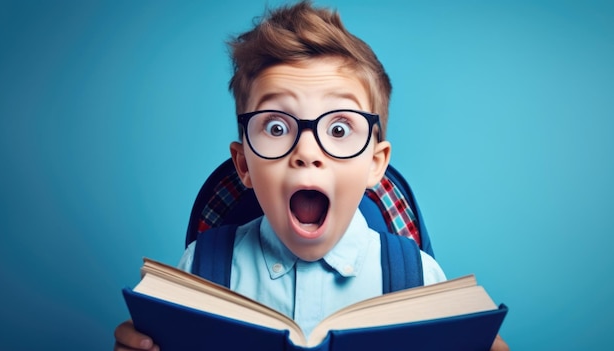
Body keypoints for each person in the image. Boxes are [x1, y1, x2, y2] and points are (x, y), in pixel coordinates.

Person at [114, 1, 509, 350]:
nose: (307, 152)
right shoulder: (200, 268)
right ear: (244, 166)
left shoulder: (419, 279)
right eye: (276, 127)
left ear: (375, 162)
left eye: (339, 130)